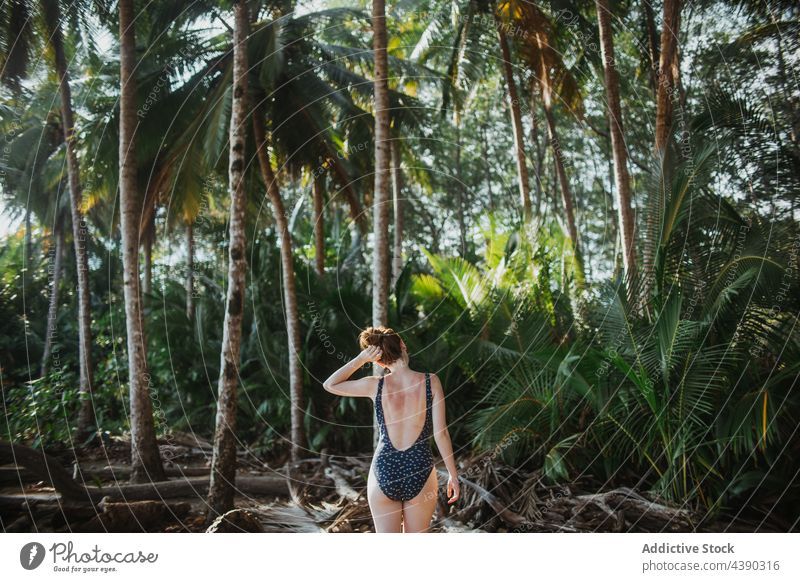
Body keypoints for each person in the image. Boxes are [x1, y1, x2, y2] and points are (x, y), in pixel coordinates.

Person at [322, 326, 460, 532]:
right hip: (419, 468)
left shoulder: (375, 385)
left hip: (384, 470)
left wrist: (361, 359)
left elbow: (329, 384)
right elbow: (441, 434)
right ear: (403, 345)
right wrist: (453, 475)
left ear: (378, 361)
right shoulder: (431, 382)